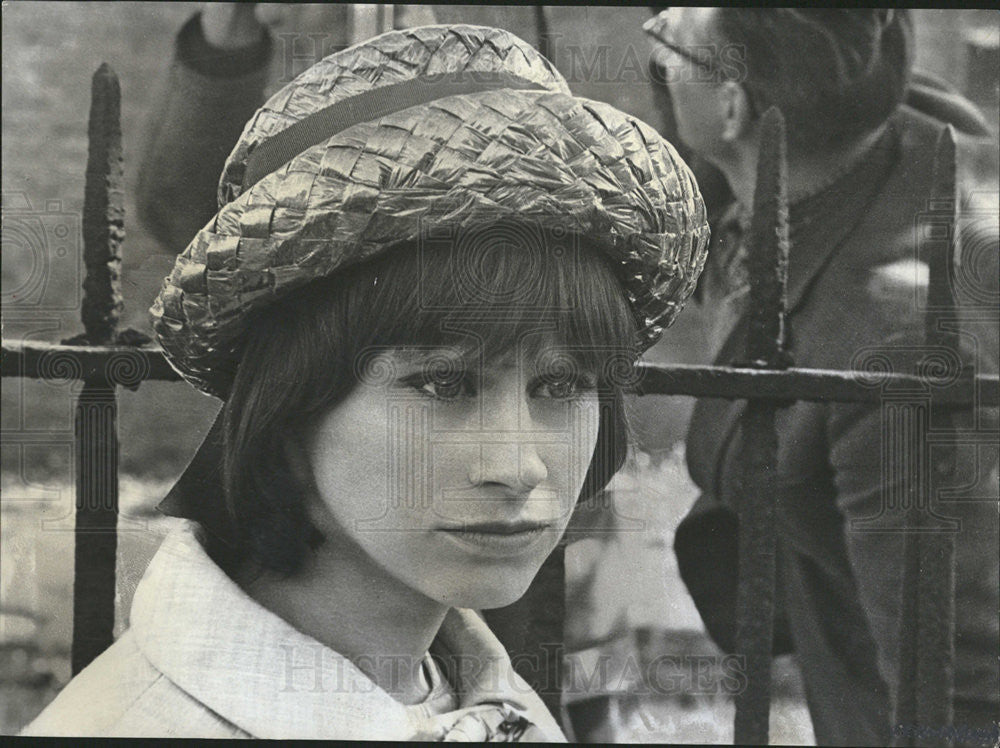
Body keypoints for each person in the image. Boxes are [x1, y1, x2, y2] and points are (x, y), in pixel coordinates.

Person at [22, 24, 710, 739]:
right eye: (444, 385)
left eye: (561, 387)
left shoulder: (493, 704)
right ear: (289, 411)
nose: (518, 467)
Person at [644, 8, 999, 746]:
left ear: (734, 106)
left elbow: (959, 681)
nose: (655, 26)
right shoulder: (865, 120)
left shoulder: (896, 347)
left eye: (669, 36)